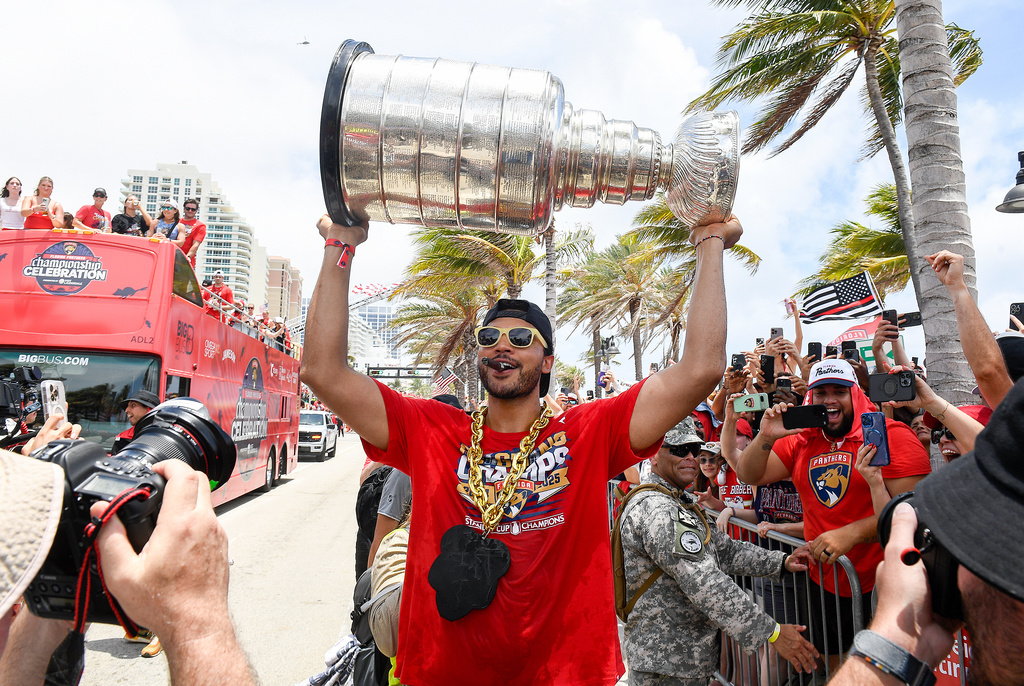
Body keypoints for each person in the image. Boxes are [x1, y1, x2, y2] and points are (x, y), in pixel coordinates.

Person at [301, 212, 742, 685]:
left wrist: (710, 241)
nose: (500, 347)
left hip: (564, 675)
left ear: (547, 359)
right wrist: (341, 244)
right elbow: (322, 372)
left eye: (520, 338)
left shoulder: (590, 431)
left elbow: (701, 368)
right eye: (488, 338)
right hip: (444, 673)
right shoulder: (431, 428)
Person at [828, 377, 1024, 686]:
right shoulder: (939, 500)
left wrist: (889, 643)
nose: (944, 439)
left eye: (953, 432)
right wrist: (903, 642)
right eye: (940, 432)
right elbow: (889, 529)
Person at [733, 359, 931, 664]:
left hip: (883, 579)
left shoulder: (890, 435)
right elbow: (749, 475)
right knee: (836, 661)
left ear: (856, 393)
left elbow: (916, 509)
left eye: (839, 391)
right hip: (824, 579)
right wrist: (766, 436)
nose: (829, 400)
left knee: (883, 667)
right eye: (821, 392)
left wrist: (853, 533)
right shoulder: (802, 438)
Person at [619, 419, 819, 685]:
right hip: (665, 664)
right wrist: (772, 632)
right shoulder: (659, 509)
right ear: (654, 455)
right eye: (679, 450)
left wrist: (781, 561)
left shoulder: (679, 501)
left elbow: (724, 550)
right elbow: (704, 582)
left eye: (694, 449)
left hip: (683, 660)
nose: (691, 457)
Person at [175, 198, 206, 267]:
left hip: (186, 262)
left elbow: (196, 245)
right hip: (171, 257)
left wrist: (187, 257)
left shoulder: (200, 226)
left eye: (193, 209)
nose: (190, 211)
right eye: (187, 208)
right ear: (184, 209)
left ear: (196, 211)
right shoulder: (175, 222)